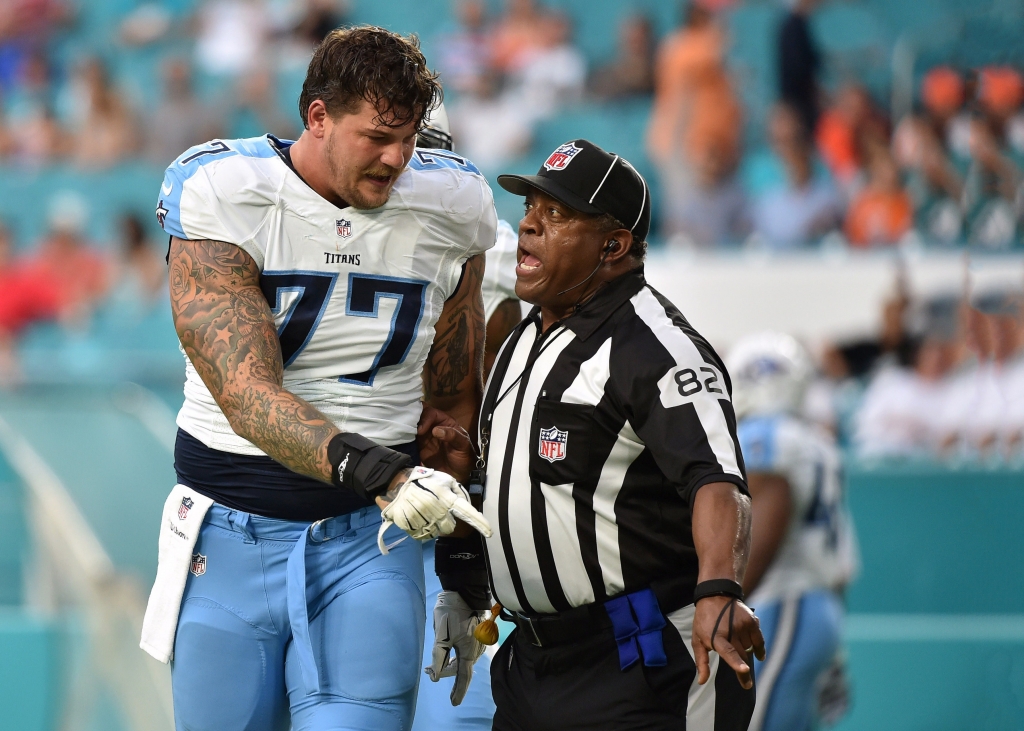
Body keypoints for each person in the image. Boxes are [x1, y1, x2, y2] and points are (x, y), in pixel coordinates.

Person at [140, 27, 495, 731]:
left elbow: (452, 400)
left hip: (370, 542)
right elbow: (247, 393)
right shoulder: (227, 191)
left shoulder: (451, 206)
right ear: (318, 117)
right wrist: (380, 471)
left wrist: (459, 564)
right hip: (226, 536)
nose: (397, 158)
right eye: (377, 137)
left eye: (409, 139)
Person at [420, 139, 764, 730]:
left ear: (614, 244)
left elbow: (716, 480)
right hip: (532, 661)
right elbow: (521, 496)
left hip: (639, 652)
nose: (528, 225)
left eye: (556, 214)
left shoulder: (656, 346)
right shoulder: (524, 340)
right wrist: (463, 578)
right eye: (530, 207)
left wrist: (719, 588)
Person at [411, 101, 520, 731]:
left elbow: (487, 412)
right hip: (365, 508)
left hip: (456, 512)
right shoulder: (323, 232)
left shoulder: (485, 246)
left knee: (458, 717)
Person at [728, 332, 859, 731]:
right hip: (818, 606)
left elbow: (767, 516)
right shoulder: (818, 441)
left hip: (784, 603)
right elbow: (841, 564)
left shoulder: (764, 438)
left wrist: (721, 601)